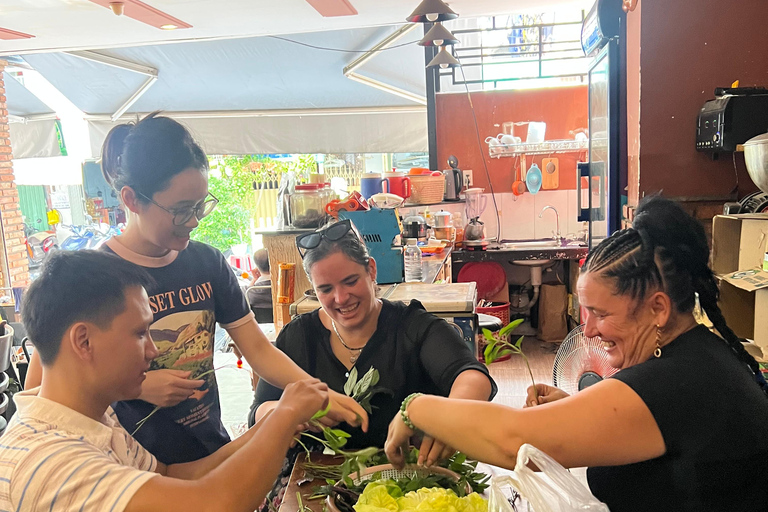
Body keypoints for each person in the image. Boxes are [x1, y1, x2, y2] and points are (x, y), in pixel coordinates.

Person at [384, 196, 768, 512]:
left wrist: (415, 406)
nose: (588, 331)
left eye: (601, 314)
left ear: (658, 309)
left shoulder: (673, 384)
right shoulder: (697, 359)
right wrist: (578, 410)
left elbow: (509, 439)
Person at [25, 112, 367, 465]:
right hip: (132, 469)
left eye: (200, 206)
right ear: (132, 200)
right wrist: (139, 388)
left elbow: (258, 351)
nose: (194, 221)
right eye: (180, 210)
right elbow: (41, 394)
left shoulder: (207, 263)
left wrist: (317, 394)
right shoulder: (89, 278)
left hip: (210, 452)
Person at [1, 250, 329, 512]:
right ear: (84, 341)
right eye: (140, 333)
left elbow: (175, 475)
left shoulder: (97, 419)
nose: (153, 350)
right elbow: (211, 504)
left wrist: (271, 427)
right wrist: (284, 417)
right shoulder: (52, 462)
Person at [250, 219, 496, 509]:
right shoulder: (298, 338)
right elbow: (260, 411)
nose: (341, 298)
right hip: (314, 485)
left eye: (350, 281)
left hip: (405, 481)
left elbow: (473, 378)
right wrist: (290, 414)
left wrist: (450, 419)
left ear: (372, 271)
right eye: (325, 289)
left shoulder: (412, 327)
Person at [247, 248, 273, 322]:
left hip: (260, 329)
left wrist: (254, 279)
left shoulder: (249, 292)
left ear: (257, 267)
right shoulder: (285, 288)